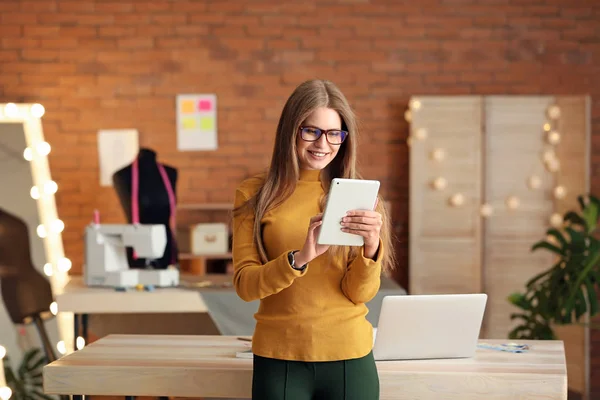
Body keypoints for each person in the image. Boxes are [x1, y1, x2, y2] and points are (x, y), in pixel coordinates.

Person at [232, 79, 396, 400]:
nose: (323, 144)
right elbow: (245, 286)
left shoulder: (359, 195)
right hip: (279, 355)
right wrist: (299, 258)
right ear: (290, 131)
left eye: (334, 133)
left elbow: (359, 293)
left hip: (350, 355)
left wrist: (371, 248)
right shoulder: (254, 193)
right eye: (311, 131)